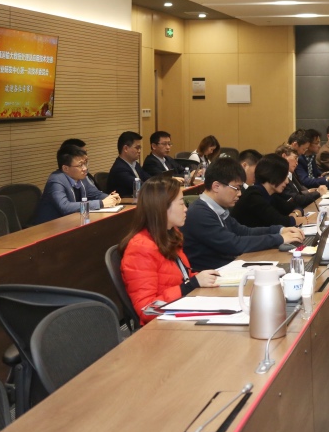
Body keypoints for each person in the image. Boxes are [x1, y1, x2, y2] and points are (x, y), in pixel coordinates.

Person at [119, 175, 220, 325]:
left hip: (180, 312)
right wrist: (191, 285)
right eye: (181, 203)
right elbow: (147, 309)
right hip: (162, 327)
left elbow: (181, 277)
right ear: (163, 207)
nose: (186, 209)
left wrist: (203, 278)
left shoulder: (169, 235)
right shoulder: (141, 249)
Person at [182, 157, 304, 270]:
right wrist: (279, 238)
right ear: (216, 186)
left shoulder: (217, 208)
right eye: (236, 188)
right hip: (213, 276)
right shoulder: (200, 213)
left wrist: (280, 230)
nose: (240, 194)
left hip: (228, 269)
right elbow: (234, 244)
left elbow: (244, 231)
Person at [34, 145, 121, 224]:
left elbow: (95, 194)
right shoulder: (56, 180)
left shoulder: (81, 177)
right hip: (49, 227)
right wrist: (101, 203)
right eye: (80, 165)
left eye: (85, 163)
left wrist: (111, 198)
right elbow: (65, 207)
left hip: (72, 222)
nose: (85, 168)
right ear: (65, 168)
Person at [232, 155, 315, 228]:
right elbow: (279, 222)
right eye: (284, 176)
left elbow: (296, 207)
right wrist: (307, 220)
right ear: (273, 175)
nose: (287, 181)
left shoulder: (271, 194)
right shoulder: (253, 196)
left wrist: (295, 214)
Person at [106, 131, 150, 198]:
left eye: (140, 148)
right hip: (125, 202)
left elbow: (147, 178)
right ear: (126, 149)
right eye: (137, 148)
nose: (139, 151)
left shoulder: (135, 164)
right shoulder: (119, 169)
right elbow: (139, 186)